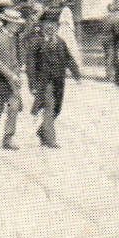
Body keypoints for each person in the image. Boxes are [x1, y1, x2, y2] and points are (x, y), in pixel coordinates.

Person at [28, 13, 80, 148]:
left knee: (57, 109)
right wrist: (32, 84)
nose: (50, 27)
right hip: (44, 82)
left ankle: (42, 131)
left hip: (59, 81)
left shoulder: (60, 41)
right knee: (49, 107)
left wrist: (76, 74)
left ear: (57, 26)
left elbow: (68, 58)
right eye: (47, 24)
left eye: (53, 25)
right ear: (42, 26)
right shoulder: (36, 42)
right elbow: (31, 64)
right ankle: (51, 139)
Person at [0, 7, 28, 149]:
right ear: (8, 23)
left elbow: (19, 58)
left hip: (13, 82)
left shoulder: (16, 39)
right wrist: (11, 75)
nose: (18, 26)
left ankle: (8, 139)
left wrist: (19, 69)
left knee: (14, 108)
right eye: (16, 24)